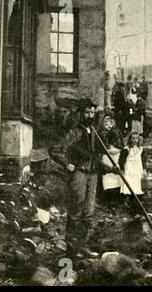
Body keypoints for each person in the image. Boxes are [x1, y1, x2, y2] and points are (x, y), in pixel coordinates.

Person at [50, 98, 102, 258]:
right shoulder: (74, 133)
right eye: (87, 112)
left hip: (92, 175)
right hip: (79, 174)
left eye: (92, 112)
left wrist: (107, 168)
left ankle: (82, 245)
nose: (90, 115)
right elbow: (55, 149)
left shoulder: (94, 132)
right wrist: (67, 164)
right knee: (76, 210)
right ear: (81, 113)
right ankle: (72, 249)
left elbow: (97, 154)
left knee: (89, 211)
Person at [99, 116, 124, 206]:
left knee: (117, 175)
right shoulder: (101, 133)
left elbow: (121, 144)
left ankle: (118, 196)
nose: (108, 126)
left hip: (116, 154)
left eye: (110, 123)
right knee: (108, 175)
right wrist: (107, 150)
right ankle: (108, 197)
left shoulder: (117, 132)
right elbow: (101, 146)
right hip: (106, 155)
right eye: (106, 124)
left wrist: (117, 149)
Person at [119, 132, 148, 202]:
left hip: (138, 168)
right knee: (129, 182)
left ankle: (137, 198)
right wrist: (122, 169)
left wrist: (144, 169)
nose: (135, 140)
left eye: (137, 138)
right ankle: (128, 198)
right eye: (133, 138)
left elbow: (144, 160)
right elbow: (121, 160)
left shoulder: (140, 149)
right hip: (129, 169)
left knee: (137, 182)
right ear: (130, 139)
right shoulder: (126, 149)